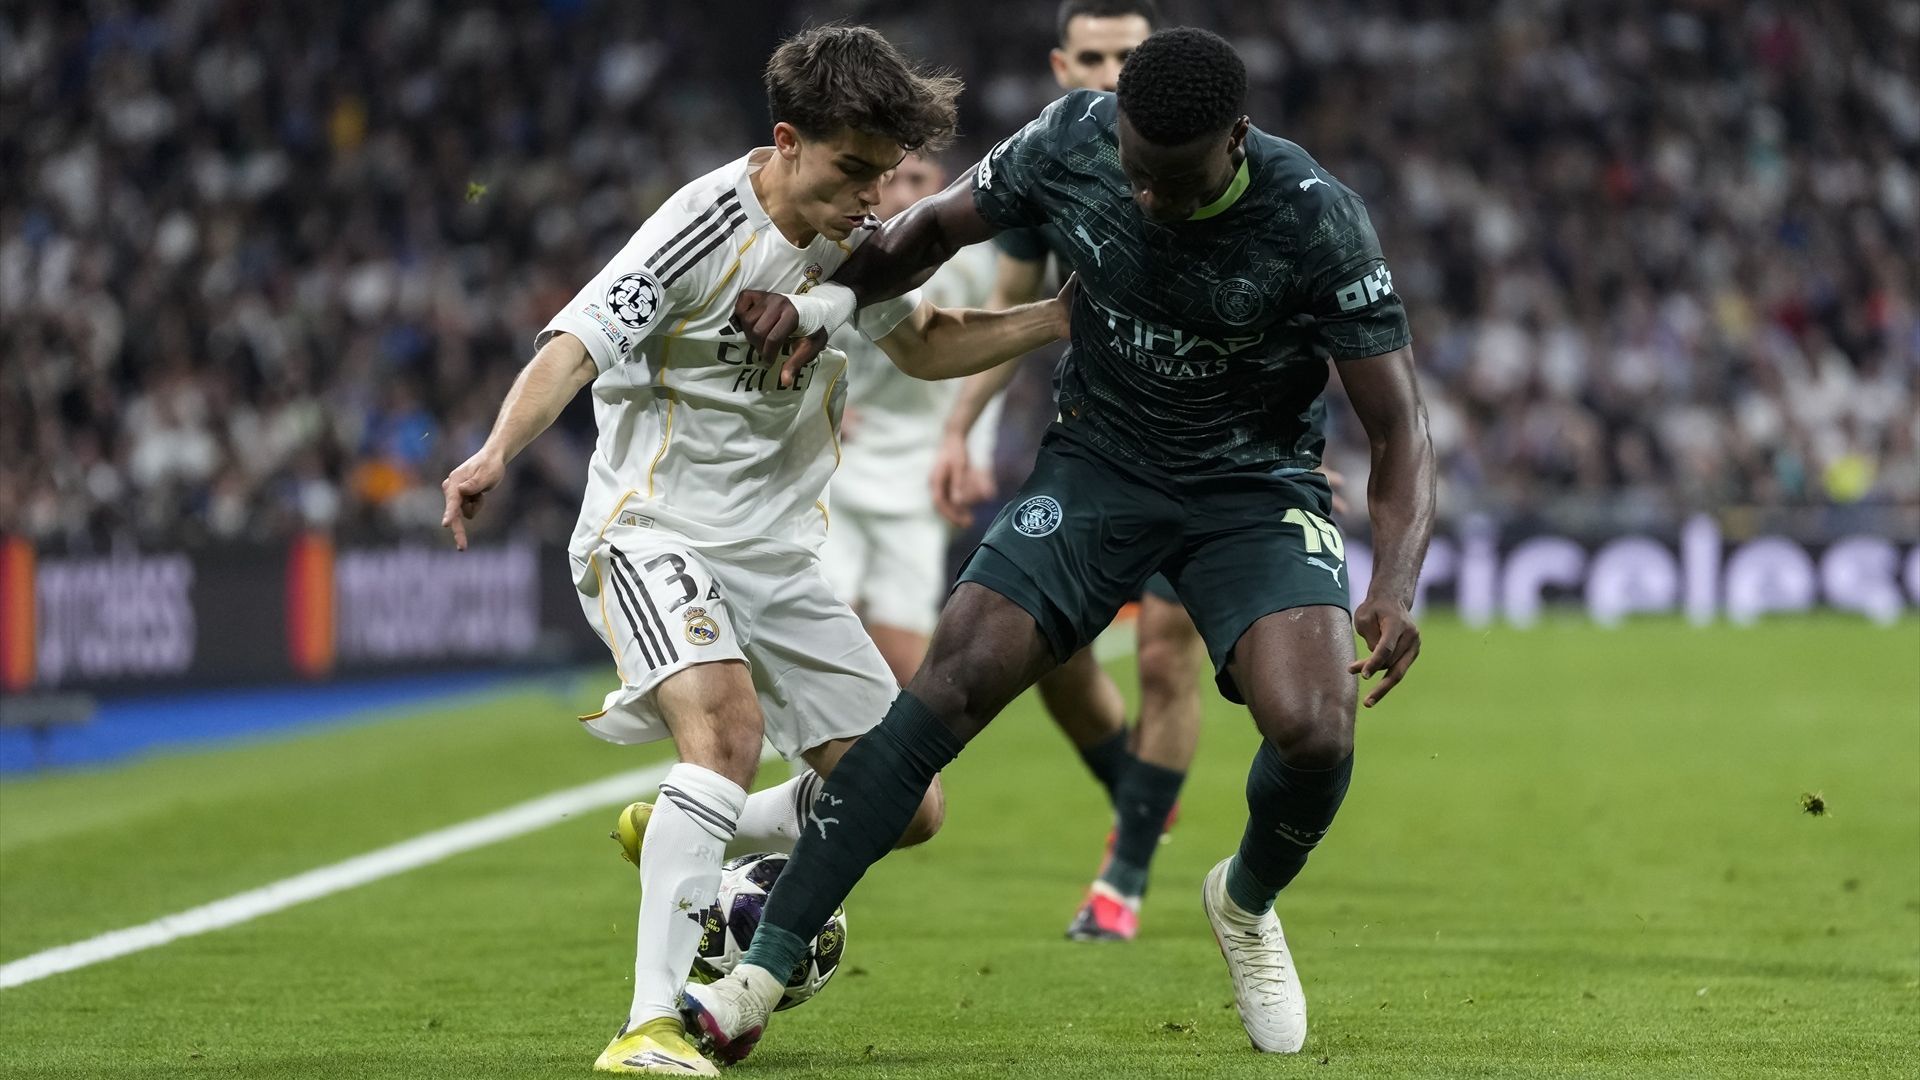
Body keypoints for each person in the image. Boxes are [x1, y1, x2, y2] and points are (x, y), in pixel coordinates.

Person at [682, 27, 1436, 1060]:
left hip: (1252, 489)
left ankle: (1246, 903)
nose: (1144, 200)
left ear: (1237, 141)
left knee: (1317, 731)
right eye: (1133, 170)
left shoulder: (1316, 221)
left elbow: (1399, 432)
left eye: (1171, 182)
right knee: (949, 685)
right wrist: (822, 300)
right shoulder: (1076, 136)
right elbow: (926, 233)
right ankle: (758, 976)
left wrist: (1395, 580)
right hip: (1099, 469)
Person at [438, 26, 1072, 1077]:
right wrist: (497, 448)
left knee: (906, 804)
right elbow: (577, 341)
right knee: (725, 731)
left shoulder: (856, 243)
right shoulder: (698, 230)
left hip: (777, 556)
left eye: (885, 176)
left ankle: (702, 831)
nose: (875, 199)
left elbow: (919, 345)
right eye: (854, 172)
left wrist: (1053, 318)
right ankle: (648, 1027)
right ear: (786, 140)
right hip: (653, 529)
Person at [928, 0, 1198, 944]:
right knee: (1051, 657)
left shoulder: (1210, 150)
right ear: (1061, 64)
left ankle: (1121, 880)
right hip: (1095, 448)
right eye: (1095, 56)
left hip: (1204, 455)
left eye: (1132, 55)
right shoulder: (1048, 162)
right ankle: (1139, 792)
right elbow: (1016, 309)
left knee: (1166, 654)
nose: (1114, 73)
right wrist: (960, 426)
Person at [819, 156, 1000, 685]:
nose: (901, 194)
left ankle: (905, 768)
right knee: (829, 639)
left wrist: (969, 447)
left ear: (942, 184)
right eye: (890, 180)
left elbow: (985, 361)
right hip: (833, 468)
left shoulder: (973, 265)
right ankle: (825, 766)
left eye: (917, 180)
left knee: (903, 655)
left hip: (919, 472)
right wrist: (817, 403)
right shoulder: (834, 250)